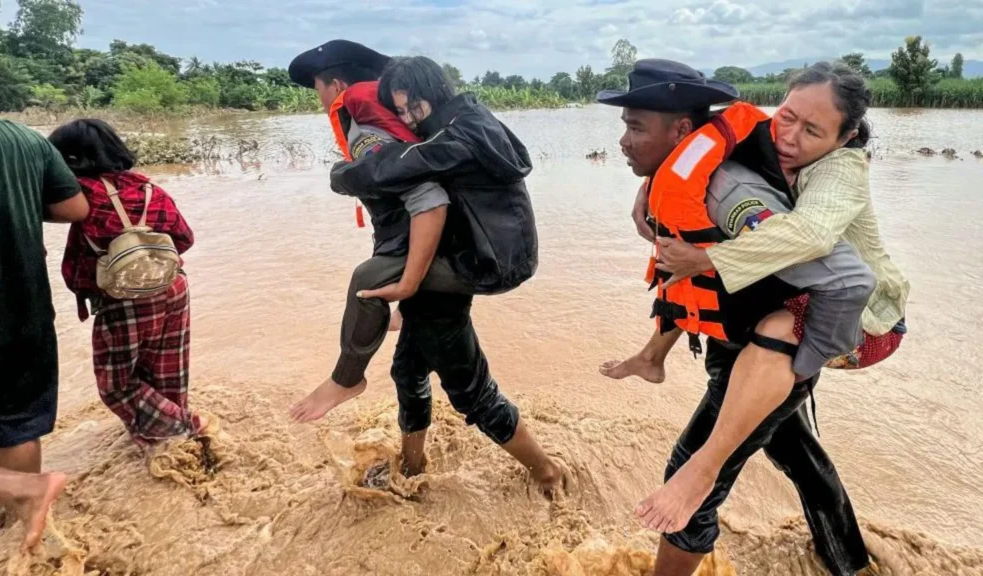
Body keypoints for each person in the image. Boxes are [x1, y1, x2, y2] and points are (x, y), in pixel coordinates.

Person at [605, 63, 909, 540]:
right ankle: (847, 556)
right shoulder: (761, 140)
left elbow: (811, 238)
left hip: (860, 323)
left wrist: (707, 260)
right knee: (794, 449)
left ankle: (701, 479)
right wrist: (650, 186)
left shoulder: (841, 169)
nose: (789, 136)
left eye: (813, 130)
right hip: (778, 305)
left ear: (845, 136)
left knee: (704, 462)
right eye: (787, 116)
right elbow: (695, 146)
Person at [327, 56, 562, 494]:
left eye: (411, 108)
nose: (406, 120)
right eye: (398, 112)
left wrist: (343, 174)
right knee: (408, 368)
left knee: (469, 390)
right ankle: (412, 468)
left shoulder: (461, 132)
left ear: (432, 94)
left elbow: (402, 164)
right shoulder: (463, 121)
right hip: (473, 252)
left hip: (484, 260)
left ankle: (546, 471)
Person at [287, 40, 471, 423]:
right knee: (410, 373)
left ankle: (346, 378)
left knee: (366, 281)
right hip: (443, 242)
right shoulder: (382, 115)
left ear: (336, 85)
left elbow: (428, 197)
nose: (318, 99)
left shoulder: (365, 130)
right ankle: (411, 466)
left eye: (318, 89)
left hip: (438, 248)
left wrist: (407, 281)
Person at [0, 114, 88, 549]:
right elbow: (75, 208)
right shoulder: (18, 137)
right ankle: (25, 536)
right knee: (13, 426)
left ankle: (25, 493)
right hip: (21, 311)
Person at [48, 119, 209, 448]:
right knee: (167, 373)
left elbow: (77, 266)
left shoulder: (82, 196)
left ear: (69, 161)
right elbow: (185, 239)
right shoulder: (150, 189)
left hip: (124, 300)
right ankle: (168, 444)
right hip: (173, 286)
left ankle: (189, 426)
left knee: (116, 385)